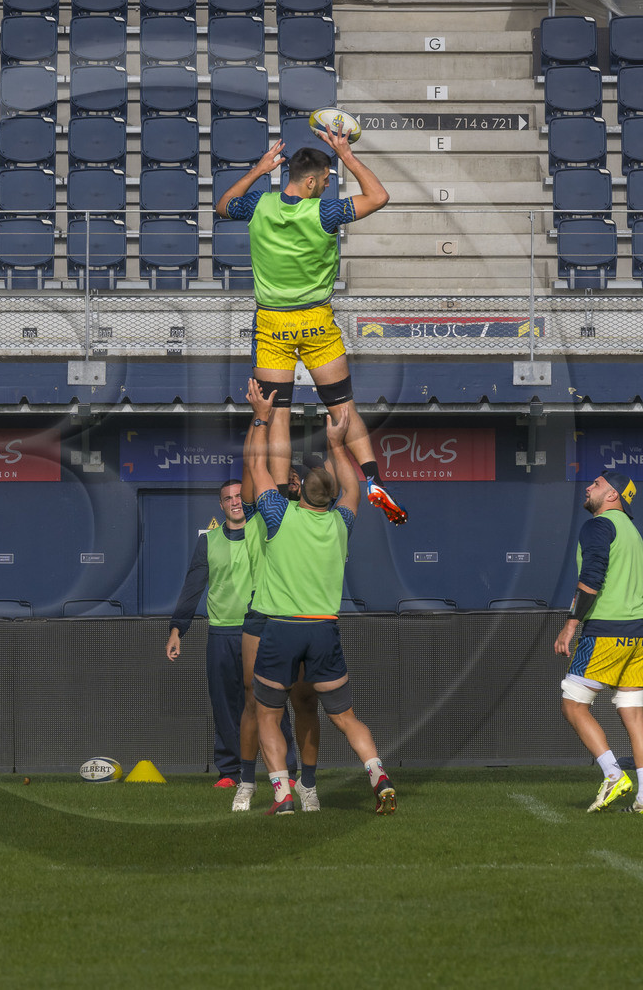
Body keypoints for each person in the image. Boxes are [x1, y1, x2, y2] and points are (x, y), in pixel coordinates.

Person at [214, 130, 406, 526]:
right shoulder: (324, 212)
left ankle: (281, 501)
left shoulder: (260, 206)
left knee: (278, 416)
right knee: (343, 407)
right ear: (312, 181)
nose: (329, 183)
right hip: (316, 320)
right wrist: (345, 153)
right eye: (327, 177)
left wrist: (259, 169)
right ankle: (373, 481)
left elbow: (222, 205)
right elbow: (379, 197)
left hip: (272, 323)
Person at [244, 378, 396, 816]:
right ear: (328, 495)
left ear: (300, 491)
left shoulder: (278, 515)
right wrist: (336, 442)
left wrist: (261, 416)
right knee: (345, 717)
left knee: (268, 714)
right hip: (324, 629)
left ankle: (282, 794)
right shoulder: (340, 523)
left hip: (283, 628)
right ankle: (378, 775)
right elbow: (352, 488)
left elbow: (257, 466)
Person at [165, 477, 305, 806]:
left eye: (240, 496)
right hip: (221, 633)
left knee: (271, 701)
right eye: (228, 498)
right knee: (226, 705)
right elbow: (192, 588)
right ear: (221, 505)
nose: (235, 501)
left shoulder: (263, 528)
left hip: (260, 629)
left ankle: (289, 770)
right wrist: (176, 630)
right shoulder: (208, 541)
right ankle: (231, 771)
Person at [553, 470, 643, 815]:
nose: (588, 487)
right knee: (634, 715)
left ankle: (613, 773)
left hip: (608, 632)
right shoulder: (632, 531)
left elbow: (591, 579)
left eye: (597, 484)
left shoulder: (598, 526)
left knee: (573, 703)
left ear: (613, 495)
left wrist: (571, 625)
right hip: (642, 634)